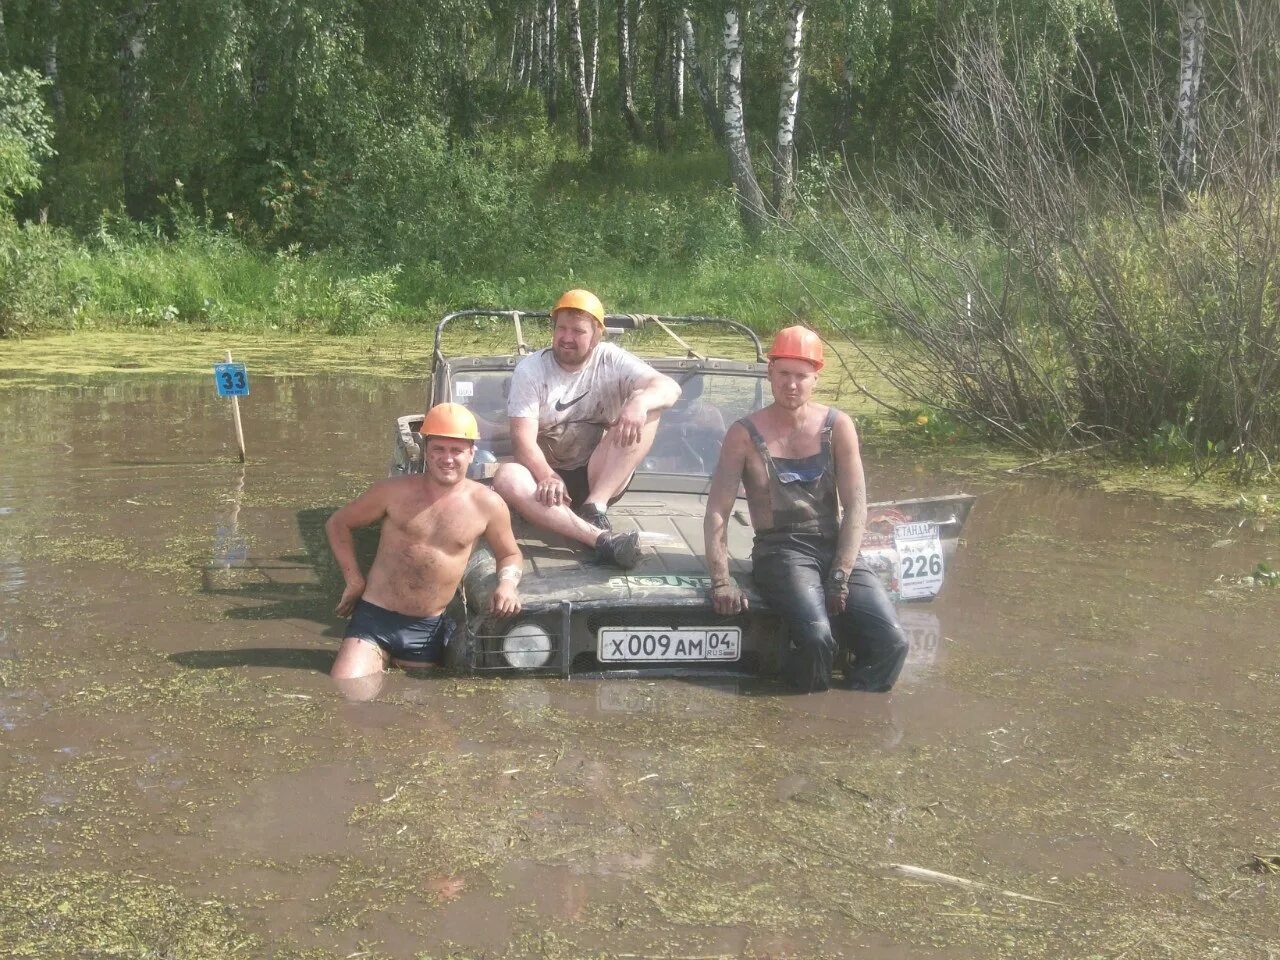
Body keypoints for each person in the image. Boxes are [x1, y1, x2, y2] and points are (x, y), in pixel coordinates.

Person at [702, 326, 908, 693]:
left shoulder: (838, 426)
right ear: (770, 373)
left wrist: (842, 573)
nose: (791, 385)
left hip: (835, 545)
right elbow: (718, 509)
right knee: (816, 638)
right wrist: (721, 580)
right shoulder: (744, 433)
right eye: (783, 374)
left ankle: (850, 722)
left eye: (801, 376)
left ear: (816, 378)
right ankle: (803, 712)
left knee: (893, 643)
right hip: (781, 551)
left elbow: (857, 506)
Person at [326, 402, 523, 690]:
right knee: (348, 692)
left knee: (421, 718)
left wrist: (507, 585)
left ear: (471, 452)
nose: (448, 459)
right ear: (426, 452)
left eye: (456, 450)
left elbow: (510, 554)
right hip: (374, 619)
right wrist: (354, 580)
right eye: (439, 449)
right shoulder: (391, 492)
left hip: (427, 629)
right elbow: (338, 523)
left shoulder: (488, 505)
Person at [493, 289, 681, 569]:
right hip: (545, 482)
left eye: (577, 331)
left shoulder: (610, 358)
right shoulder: (530, 370)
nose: (566, 338)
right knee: (507, 476)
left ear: (596, 336)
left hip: (600, 474)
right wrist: (547, 476)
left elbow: (670, 387)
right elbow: (522, 441)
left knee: (650, 409)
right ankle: (602, 540)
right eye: (561, 328)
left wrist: (638, 402)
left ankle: (595, 508)